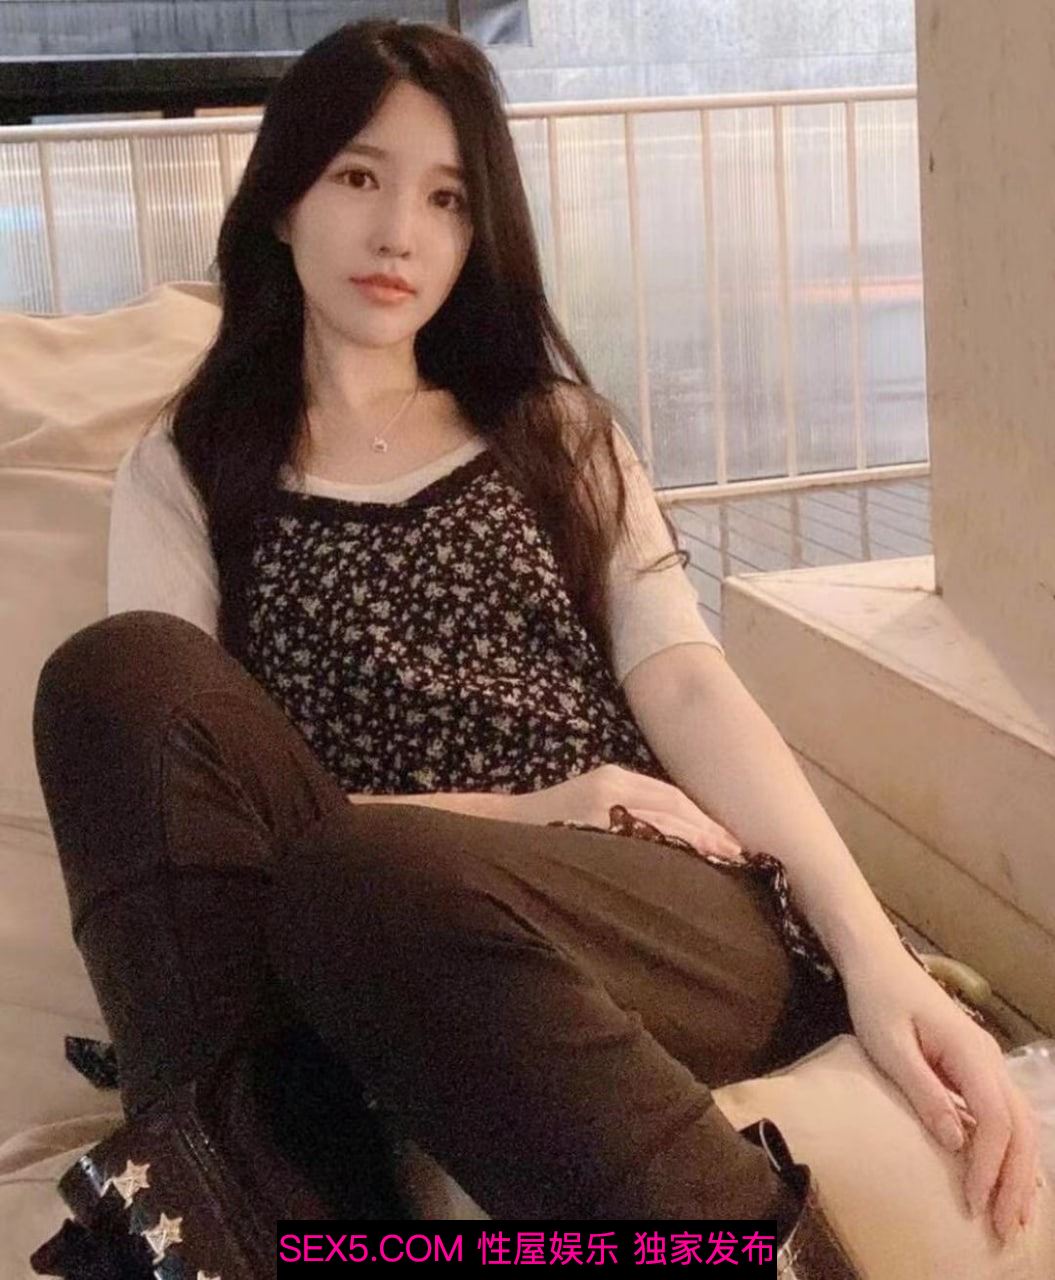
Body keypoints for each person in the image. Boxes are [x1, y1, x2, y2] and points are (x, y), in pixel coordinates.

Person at [30, 16, 1038, 1279]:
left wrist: (873, 957)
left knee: (373, 876)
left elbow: (689, 683)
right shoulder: (190, 467)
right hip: (364, 913)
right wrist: (526, 806)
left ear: (478, 232)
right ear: (283, 200)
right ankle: (273, 1226)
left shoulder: (552, 432)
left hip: (641, 900)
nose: (399, 232)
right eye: (358, 176)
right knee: (117, 679)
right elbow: (184, 809)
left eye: (446, 198)